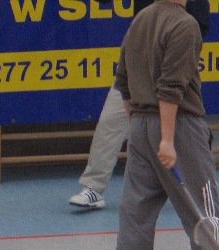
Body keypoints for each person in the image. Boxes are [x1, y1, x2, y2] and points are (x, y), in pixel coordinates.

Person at [111, 0, 219, 250]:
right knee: (201, 209)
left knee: (135, 212)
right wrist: (166, 139)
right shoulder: (185, 25)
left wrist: (139, 128)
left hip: (140, 125)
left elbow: (122, 81)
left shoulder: (140, 20)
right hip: (179, 128)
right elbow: (171, 88)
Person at [68, 0, 211, 211]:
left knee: (189, 129)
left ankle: (202, 188)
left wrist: (171, 44)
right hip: (139, 66)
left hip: (173, 66)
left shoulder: (187, 18)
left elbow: (201, 25)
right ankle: (93, 188)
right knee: (110, 122)